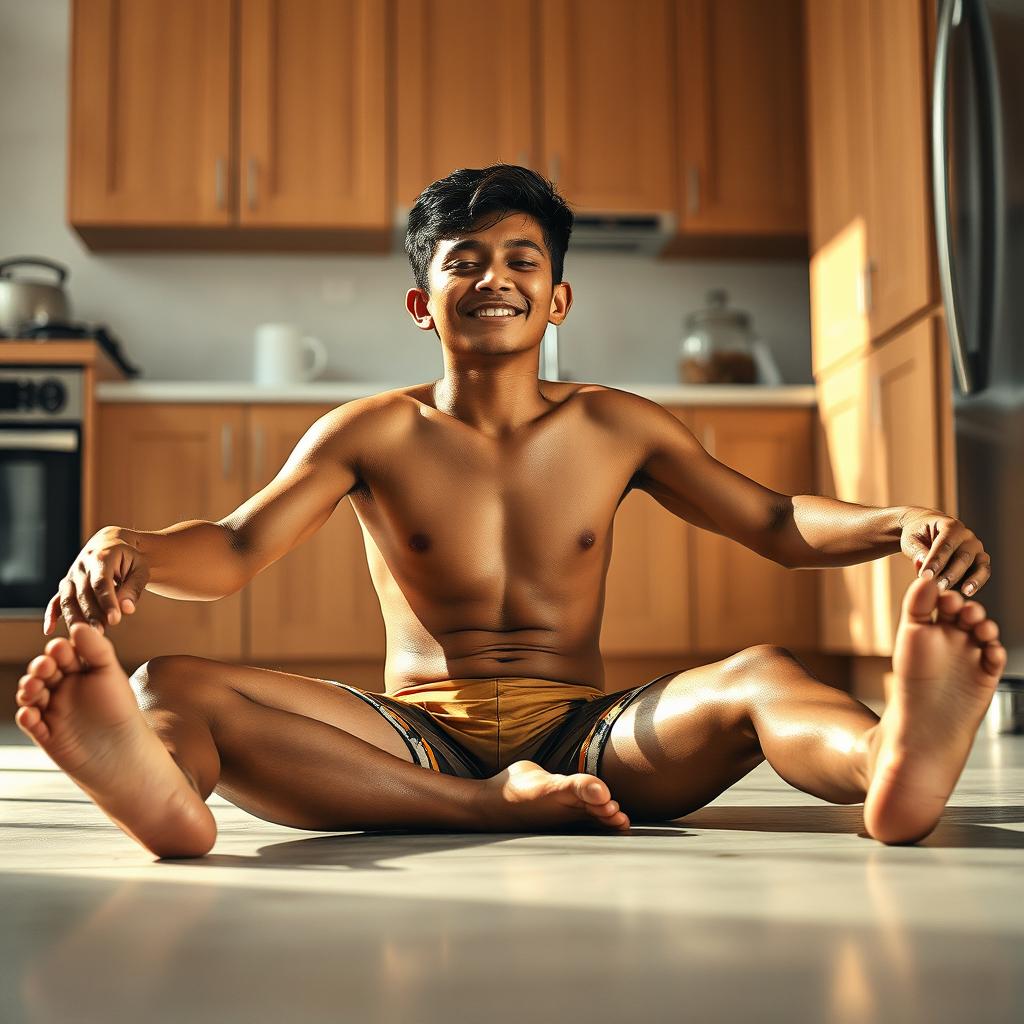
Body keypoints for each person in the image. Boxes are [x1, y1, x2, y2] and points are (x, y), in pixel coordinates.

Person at [15, 165, 1005, 859]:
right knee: (172, 683)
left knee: (763, 676)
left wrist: (896, 522)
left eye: (522, 260)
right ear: (421, 302)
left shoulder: (619, 425)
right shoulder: (367, 430)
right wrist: (132, 545)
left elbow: (776, 522)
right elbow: (235, 548)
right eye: (464, 260)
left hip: (589, 735)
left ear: (558, 298)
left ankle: (888, 762)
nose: (495, 277)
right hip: (410, 736)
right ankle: (163, 793)